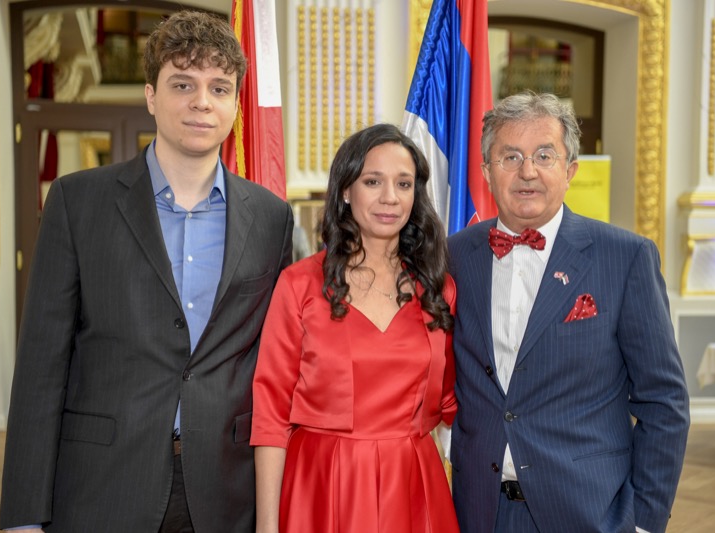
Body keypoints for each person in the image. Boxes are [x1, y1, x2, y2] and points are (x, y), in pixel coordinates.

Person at [0, 10, 293, 532]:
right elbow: (42, 369)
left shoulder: (272, 219)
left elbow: (279, 364)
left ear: (235, 104)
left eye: (219, 88)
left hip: (227, 490)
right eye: (183, 84)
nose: (202, 101)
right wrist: (23, 517)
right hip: (102, 486)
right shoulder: (76, 202)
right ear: (151, 95)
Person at [448, 91, 690, 533]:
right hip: (479, 512)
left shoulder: (625, 257)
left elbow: (664, 401)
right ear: (486, 172)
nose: (527, 171)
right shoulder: (454, 257)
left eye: (544, 155)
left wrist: (643, 521)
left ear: (570, 170)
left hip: (590, 513)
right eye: (510, 157)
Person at [251, 123, 459, 533]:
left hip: (414, 485)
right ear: (346, 190)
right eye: (372, 181)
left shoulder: (439, 290)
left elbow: (455, 402)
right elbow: (271, 417)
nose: (390, 197)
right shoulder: (299, 285)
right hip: (323, 485)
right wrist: (267, 526)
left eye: (403, 184)